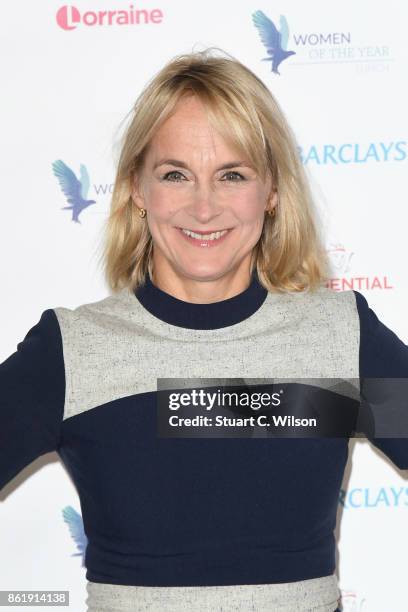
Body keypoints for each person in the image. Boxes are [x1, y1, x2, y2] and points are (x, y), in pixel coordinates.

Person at [1, 47, 407, 612]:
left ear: (272, 193)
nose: (204, 207)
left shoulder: (339, 336)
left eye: (232, 175)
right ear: (137, 191)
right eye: (175, 175)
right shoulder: (74, 350)